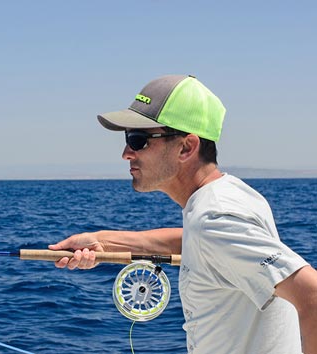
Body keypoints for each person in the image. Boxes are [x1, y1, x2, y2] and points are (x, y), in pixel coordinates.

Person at [48, 75, 317, 354]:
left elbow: (312, 296)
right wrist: (101, 241)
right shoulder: (230, 197)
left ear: (186, 147)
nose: (126, 153)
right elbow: (195, 243)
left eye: (138, 140)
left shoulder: (214, 218)